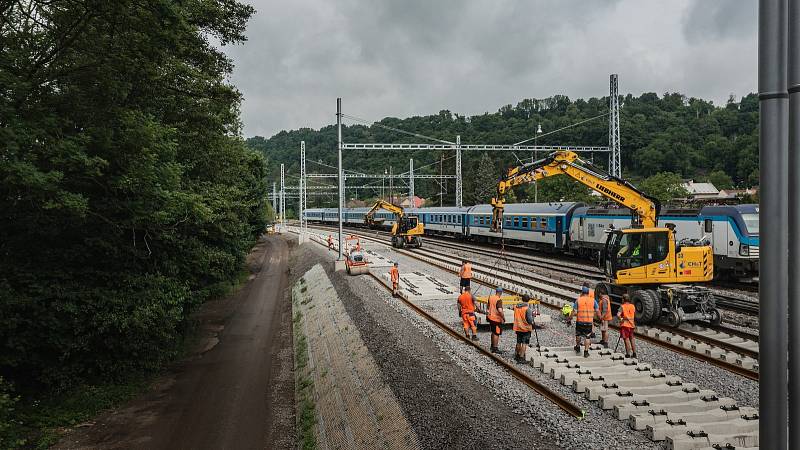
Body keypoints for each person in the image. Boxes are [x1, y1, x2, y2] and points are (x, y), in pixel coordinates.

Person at [570, 285, 599, 357]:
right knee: (587, 337)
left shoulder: (578, 300)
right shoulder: (593, 300)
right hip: (589, 321)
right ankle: (586, 352)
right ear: (588, 292)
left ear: (582, 292)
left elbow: (574, 311)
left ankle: (578, 347)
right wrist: (600, 318)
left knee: (578, 335)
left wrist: (569, 318)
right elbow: (597, 311)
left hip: (580, 321)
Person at [513, 294, 535, 363]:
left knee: (518, 342)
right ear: (528, 300)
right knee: (524, 343)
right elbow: (530, 321)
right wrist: (533, 316)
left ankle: (517, 355)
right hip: (525, 328)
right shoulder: (527, 309)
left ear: (522, 299)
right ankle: (521, 358)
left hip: (518, 327)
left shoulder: (516, 307)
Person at [617, 293, 637, 358]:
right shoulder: (632, 306)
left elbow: (618, 315)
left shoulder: (622, 306)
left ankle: (628, 354)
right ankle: (634, 353)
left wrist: (621, 319)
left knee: (626, 339)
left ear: (623, 299)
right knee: (632, 339)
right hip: (632, 325)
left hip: (625, 325)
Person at [487, 287, 505, 354]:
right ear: (500, 293)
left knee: (493, 332)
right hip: (496, 319)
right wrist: (503, 317)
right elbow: (500, 310)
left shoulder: (491, 297)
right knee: (496, 333)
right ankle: (495, 348)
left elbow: (488, 307)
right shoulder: (499, 299)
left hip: (490, 317)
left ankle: (492, 346)